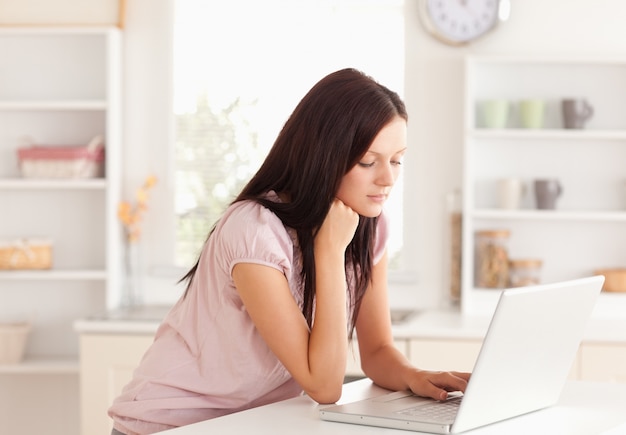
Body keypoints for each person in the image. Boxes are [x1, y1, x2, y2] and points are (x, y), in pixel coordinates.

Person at [108, 68, 470, 435]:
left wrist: (416, 376)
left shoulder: (368, 225)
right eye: (367, 161)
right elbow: (324, 385)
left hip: (253, 423)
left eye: (396, 160)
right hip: (169, 425)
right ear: (324, 155)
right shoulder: (253, 231)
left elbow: (376, 351)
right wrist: (328, 252)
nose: (388, 179)